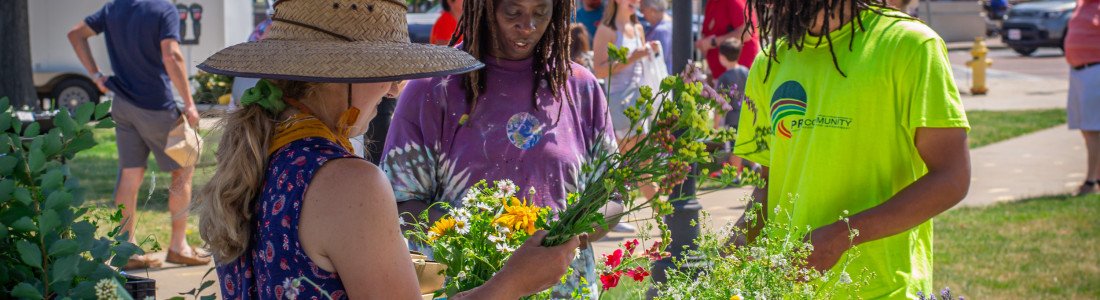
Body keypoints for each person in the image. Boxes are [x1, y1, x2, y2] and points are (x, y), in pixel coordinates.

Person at [193, 1, 580, 299]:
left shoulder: (263, 153)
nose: (394, 88)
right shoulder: (348, 182)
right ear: (340, 72)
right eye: (385, 69)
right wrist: (514, 282)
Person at [729, 1, 971, 298]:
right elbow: (770, 186)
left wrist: (842, 236)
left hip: (884, 289)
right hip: (786, 289)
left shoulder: (910, 44)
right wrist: (732, 249)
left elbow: (951, 179)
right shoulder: (770, 61)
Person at [383, 0, 622, 297]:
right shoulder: (433, 89)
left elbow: (611, 197)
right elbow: (399, 204)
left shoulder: (580, 88)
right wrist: (482, 241)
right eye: (513, 11)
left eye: (540, 12)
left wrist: (569, 236)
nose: (527, 25)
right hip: (469, 289)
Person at [67, 0, 206, 270]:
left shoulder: (114, 8)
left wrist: (96, 76)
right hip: (156, 105)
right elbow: (172, 55)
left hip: (122, 104)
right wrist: (189, 103)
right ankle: (179, 246)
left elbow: (75, 34)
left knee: (130, 174)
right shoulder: (163, 9)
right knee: (185, 167)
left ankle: (125, 249)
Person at [592, 0, 661, 205]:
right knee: (637, 166)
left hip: (639, 102)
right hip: (619, 103)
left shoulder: (638, 27)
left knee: (640, 166)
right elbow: (600, 70)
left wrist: (649, 51)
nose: (634, 1)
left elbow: (640, 64)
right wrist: (633, 57)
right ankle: (666, 215)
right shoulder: (607, 30)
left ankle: (663, 215)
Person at [1065, 0, 1100, 196]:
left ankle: (1091, 181)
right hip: (1079, 72)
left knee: (1093, 129)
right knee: (1087, 129)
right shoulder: (1082, 5)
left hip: (1095, 70)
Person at [712, 38, 753, 181]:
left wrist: (715, 124)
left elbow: (720, 104)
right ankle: (756, 166)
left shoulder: (724, 78)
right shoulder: (746, 71)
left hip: (733, 118)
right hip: (748, 115)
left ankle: (736, 175)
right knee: (748, 143)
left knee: (735, 147)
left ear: (722, 57)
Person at [696, 0, 760, 79]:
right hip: (720, 77)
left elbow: (747, 33)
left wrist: (713, 42)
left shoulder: (732, 1)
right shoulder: (712, 3)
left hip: (738, 78)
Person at [640, 0, 673, 70]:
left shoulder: (661, 31)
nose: (642, 14)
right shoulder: (671, 24)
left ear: (652, 10)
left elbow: (657, 60)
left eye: (642, 10)